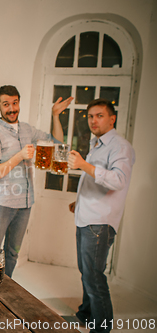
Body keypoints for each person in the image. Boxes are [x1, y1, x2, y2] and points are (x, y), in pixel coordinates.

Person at [0, 85, 73, 277]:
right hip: (2, 204)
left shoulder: (27, 130)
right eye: (6, 104)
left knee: (12, 253)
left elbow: (56, 143)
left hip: (25, 203)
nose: (12, 108)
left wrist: (55, 115)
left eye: (15, 103)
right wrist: (20, 155)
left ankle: (5, 289)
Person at [68, 98, 135, 333]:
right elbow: (98, 179)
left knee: (94, 278)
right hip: (87, 216)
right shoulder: (98, 144)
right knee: (86, 272)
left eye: (99, 116)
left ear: (112, 118)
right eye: (90, 116)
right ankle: (86, 314)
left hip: (100, 222)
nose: (93, 120)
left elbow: (118, 180)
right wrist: (80, 201)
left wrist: (83, 164)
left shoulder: (120, 146)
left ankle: (101, 328)